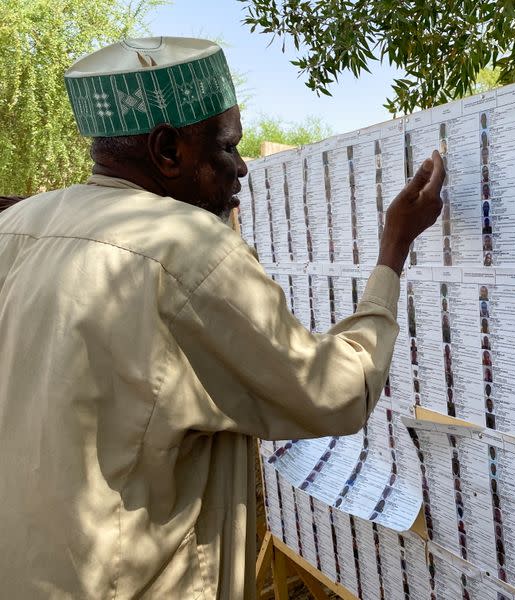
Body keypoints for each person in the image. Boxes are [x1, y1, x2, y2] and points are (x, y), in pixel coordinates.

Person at [0, 37, 446, 598]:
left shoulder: (17, 228)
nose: (241, 169)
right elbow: (337, 392)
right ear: (168, 151)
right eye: (226, 147)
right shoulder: (188, 249)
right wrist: (393, 251)